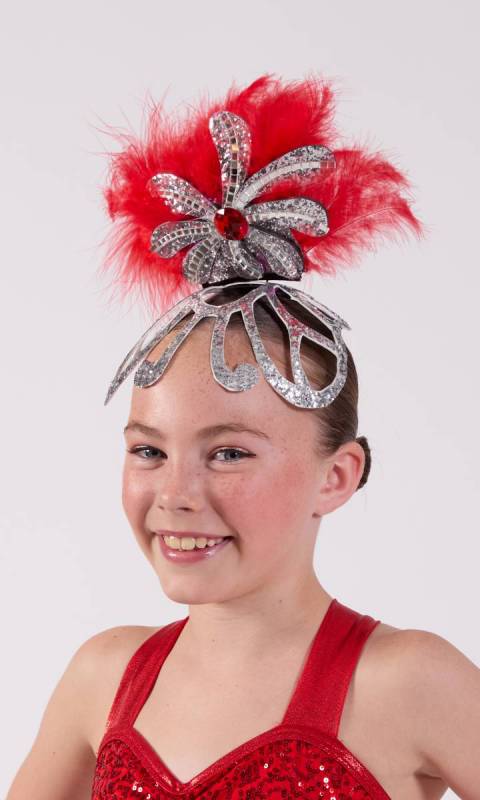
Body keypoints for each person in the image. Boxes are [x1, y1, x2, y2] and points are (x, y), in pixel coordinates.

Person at [6, 74, 480, 800]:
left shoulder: (411, 681)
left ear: (337, 476)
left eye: (228, 453)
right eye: (149, 451)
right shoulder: (101, 680)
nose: (176, 494)